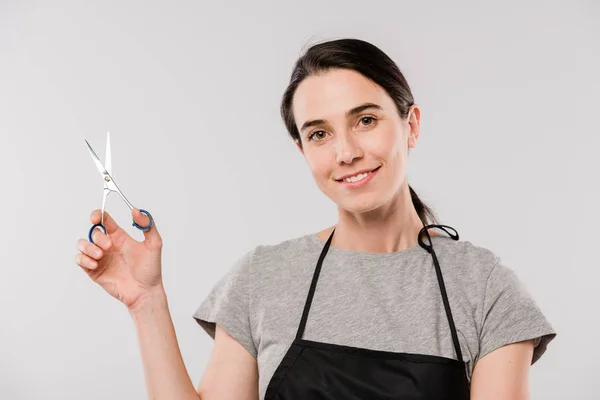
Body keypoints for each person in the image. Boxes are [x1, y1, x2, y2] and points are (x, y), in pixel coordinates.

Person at [76, 38, 556, 400]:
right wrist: (147, 302)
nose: (346, 152)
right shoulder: (262, 278)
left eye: (365, 120)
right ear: (303, 149)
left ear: (410, 125)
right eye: (320, 133)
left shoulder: (484, 287)